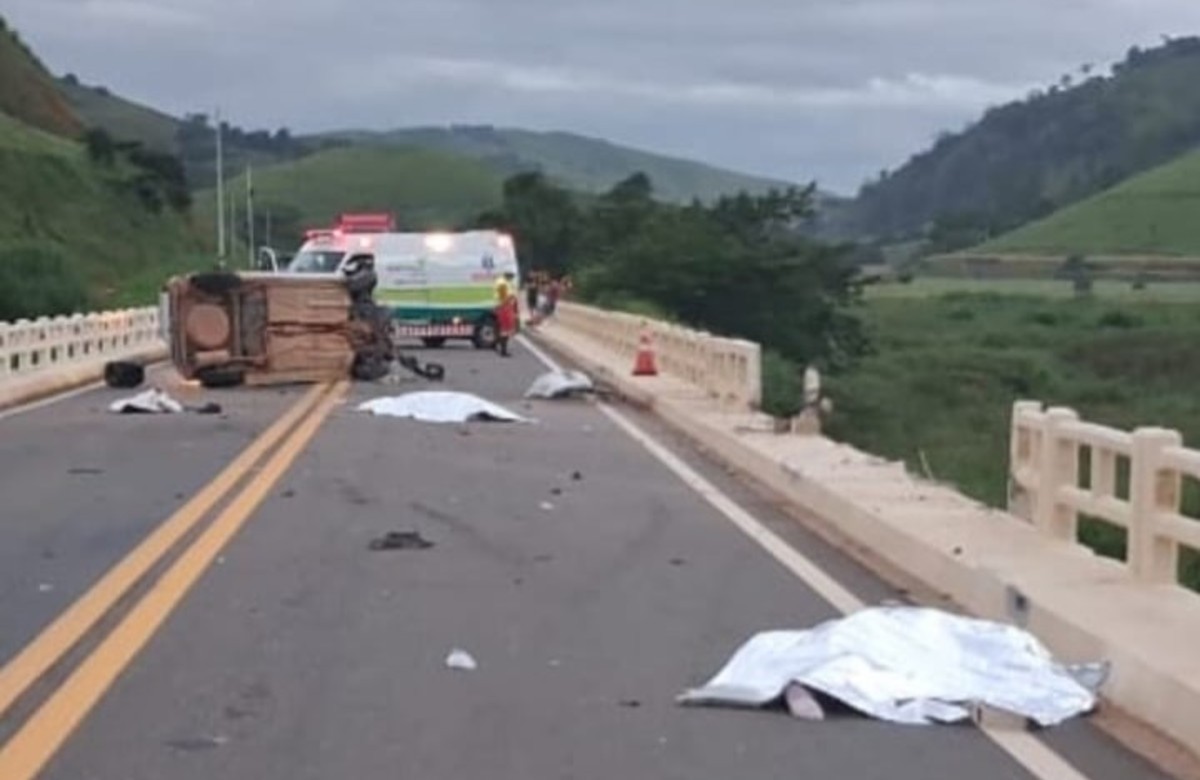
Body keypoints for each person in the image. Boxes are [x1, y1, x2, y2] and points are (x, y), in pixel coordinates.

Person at [494, 271, 519, 357]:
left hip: (503, 306)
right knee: (505, 329)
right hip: (504, 307)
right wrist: (511, 297)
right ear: (508, 275)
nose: (512, 278)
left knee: (504, 329)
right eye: (511, 276)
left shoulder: (503, 282)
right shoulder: (503, 284)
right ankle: (503, 350)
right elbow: (504, 297)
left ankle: (501, 348)